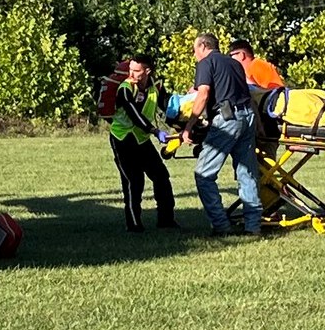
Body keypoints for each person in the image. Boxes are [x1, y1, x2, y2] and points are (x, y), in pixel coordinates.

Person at [183, 34, 263, 236]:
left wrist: (189, 126)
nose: (194, 54)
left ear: (203, 45)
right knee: (247, 173)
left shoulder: (205, 63)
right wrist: (259, 126)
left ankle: (221, 225)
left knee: (204, 174)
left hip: (228, 119)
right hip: (247, 117)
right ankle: (253, 226)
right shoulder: (234, 63)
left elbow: (203, 94)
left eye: (194, 49)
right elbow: (248, 95)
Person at [107, 55, 179, 232]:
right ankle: (134, 224)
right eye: (130, 69)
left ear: (147, 71)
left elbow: (164, 107)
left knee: (161, 176)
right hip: (123, 138)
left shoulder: (155, 87)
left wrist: (181, 126)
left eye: (136, 70)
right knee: (133, 181)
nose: (131, 73)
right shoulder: (125, 89)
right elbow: (134, 116)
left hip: (142, 139)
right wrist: (155, 131)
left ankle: (166, 220)